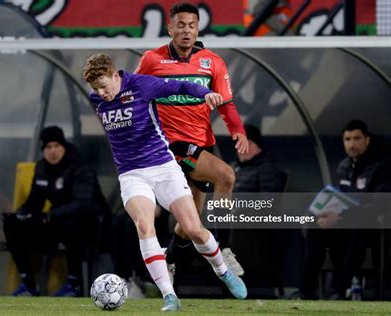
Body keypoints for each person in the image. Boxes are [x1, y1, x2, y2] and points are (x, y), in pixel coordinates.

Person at [83, 53, 247, 311]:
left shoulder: (141, 85)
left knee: (194, 229)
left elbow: (179, 86)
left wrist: (203, 94)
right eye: (96, 88)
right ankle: (170, 296)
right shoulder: (97, 100)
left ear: (116, 75)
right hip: (131, 175)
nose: (101, 92)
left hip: (163, 167)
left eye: (104, 85)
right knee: (145, 227)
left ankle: (223, 271)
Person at [136, 2, 248, 281]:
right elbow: (135, 94)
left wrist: (238, 130)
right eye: (181, 25)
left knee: (190, 223)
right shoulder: (152, 60)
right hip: (169, 145)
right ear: (170, 28)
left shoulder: (212, 62)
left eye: (192, 25)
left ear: (198, 28)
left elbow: (227, 103)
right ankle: (225, 249)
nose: (187, 31)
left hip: (201, 142)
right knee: (226, 176)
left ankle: (169, 260)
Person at [2, 126, 109, 297]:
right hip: (55, 221)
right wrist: (21, 214)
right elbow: (34, 201)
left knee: (72, 224)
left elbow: (83, 204)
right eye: (48, 147)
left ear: (64, 146)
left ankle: (74, 284)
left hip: (90, 224)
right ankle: (28, 285)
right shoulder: (41, 168)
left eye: (56, 146)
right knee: (12, 223)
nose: (53, 151)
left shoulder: (79, 167)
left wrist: (50, 216)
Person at [301, 120, 391, 299]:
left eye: (357, 138)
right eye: (347, 139)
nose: (352, 144)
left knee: (355, 227)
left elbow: (379, 205)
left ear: (367, 140)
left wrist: (341, 216)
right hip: (342, 222)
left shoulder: (381, 167)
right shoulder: (343, 166)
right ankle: (307, 292)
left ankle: (339, 290)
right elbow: (339, 197)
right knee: (314, 226)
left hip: (368, 227)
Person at [230, 124, 288, 296]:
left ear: (258, 146)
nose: (242, 149)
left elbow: (267, 202)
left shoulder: (266, 169)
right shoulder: (231, 168)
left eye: (247, 143)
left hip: (255, 230)